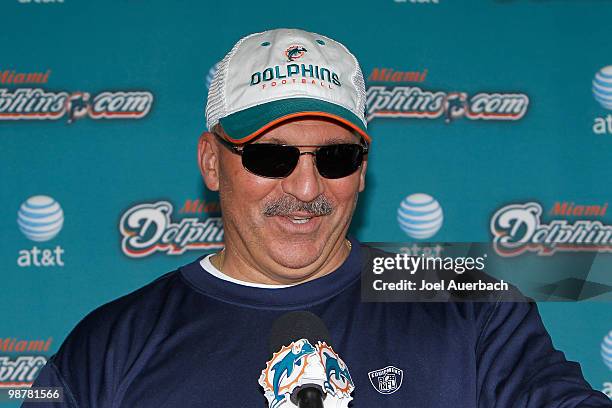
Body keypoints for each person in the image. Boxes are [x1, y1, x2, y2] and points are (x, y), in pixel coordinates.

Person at [24, 28, 611, 407]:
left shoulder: (458, 295)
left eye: (334, 157)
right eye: (270, 156)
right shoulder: (110, 346)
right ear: (211, 161)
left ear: (362, 168)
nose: (306, 188)